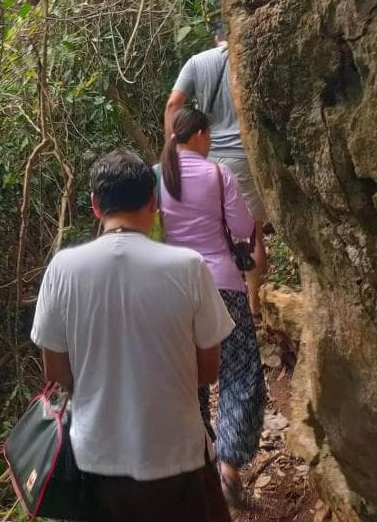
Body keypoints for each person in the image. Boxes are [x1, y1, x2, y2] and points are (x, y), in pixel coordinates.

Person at [30, 147, 234, 522]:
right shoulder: (189, 267)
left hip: (95, 462)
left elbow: (56, 374)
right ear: (153, 201)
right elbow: (208, 371)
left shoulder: (63, 269)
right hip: (179, 456)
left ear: (95, 205)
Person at [160, 107, 266, 510]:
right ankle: (229, 469)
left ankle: (200, 469)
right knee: (240, 374)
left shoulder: (155, 176)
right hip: (223, 286)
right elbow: (242, 228)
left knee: (190, 381)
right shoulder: (219, 175)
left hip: (172, 292)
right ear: (201, 135)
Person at [165, 21, 268, 321]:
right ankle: (252, 305)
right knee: (253, 234)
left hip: (204, 155)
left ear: (215, 38)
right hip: (242, 156)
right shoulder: (244, 57)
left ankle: (208, 305)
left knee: (206, 229)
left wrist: (174, 145)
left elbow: (173, 103)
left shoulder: (197, 62)